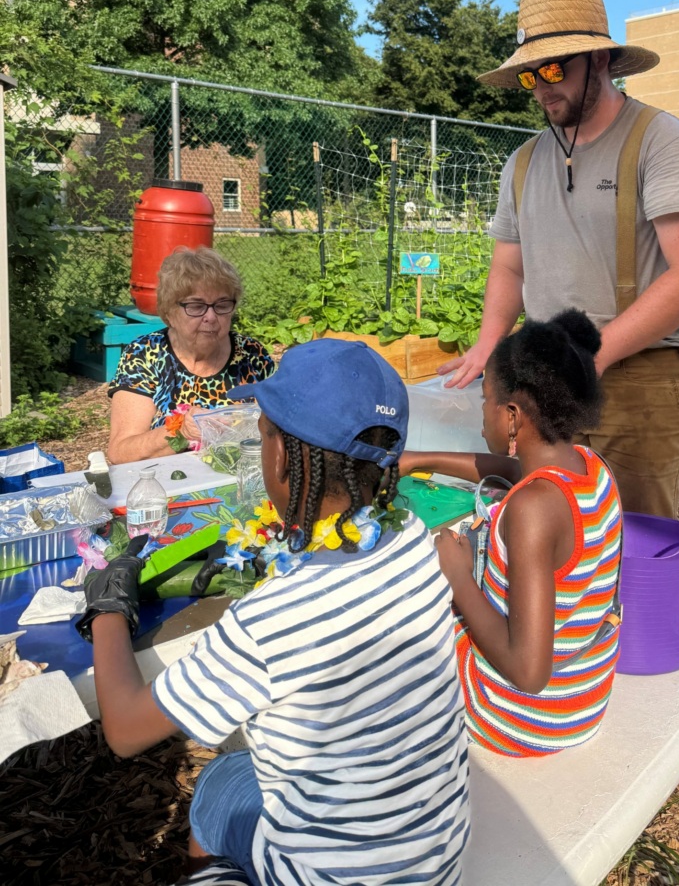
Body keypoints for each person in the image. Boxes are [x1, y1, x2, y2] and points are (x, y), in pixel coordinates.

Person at [77, 339, 470, 885]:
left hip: (335, 874)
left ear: (281, 456)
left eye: (261, 435)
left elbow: (123, 730)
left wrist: (108, 610)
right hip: (434, 854)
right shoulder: (411, 537)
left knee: (217, 788)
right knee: (242, 770)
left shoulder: (268, 621)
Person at [439, 0, 679, 519]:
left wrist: (596, 353)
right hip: (548, 380)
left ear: (600, 59)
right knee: (551, 527)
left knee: (634, 539)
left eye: (554, 68)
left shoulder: (662, 142)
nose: (543, 86)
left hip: (641, 379)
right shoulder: (522, 162)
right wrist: (488, 343)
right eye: (530, 74)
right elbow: (508, 266)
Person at [401, 309, 622, 757]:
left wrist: (458, 577)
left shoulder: (532, 510)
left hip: (519, 719)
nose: (481, 413)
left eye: (485, 399)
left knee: (394, 630)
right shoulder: (589, 467)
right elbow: (511, 467)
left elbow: (527, 671)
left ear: (513, 416)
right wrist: (419, 459)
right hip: (580, 696)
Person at [107, 246, 274, 464]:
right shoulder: (145, 354)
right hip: (166, 480)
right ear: (169, 313)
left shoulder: (252, 355)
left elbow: (280, 429)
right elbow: (120, 452)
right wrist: (181, 432)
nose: (211, 317)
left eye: (222, 305)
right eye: (196, 306)